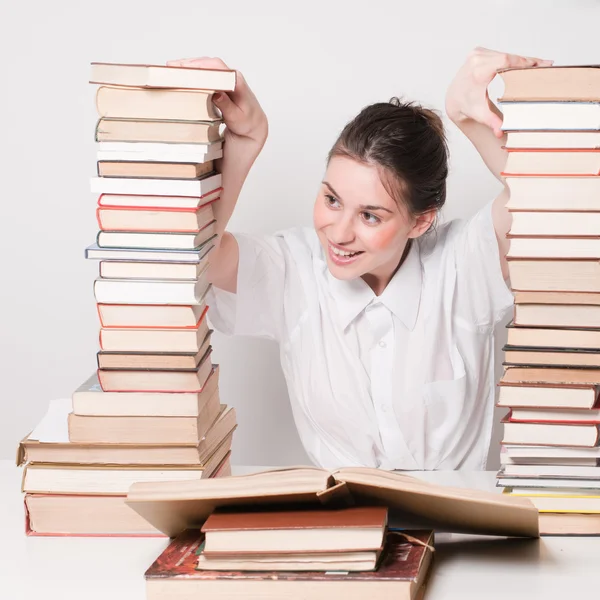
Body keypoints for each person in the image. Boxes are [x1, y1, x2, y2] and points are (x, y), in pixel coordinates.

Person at [168, 48, 553, 471]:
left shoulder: (465, 264)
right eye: (332, 199)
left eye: (370, 215)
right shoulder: (293, 270)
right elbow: (190, 257)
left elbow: (556, 198)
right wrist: (245, 141)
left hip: (455, 532)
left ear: (420, 221)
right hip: (341, 530)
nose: (340, 232)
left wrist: (466, 115)